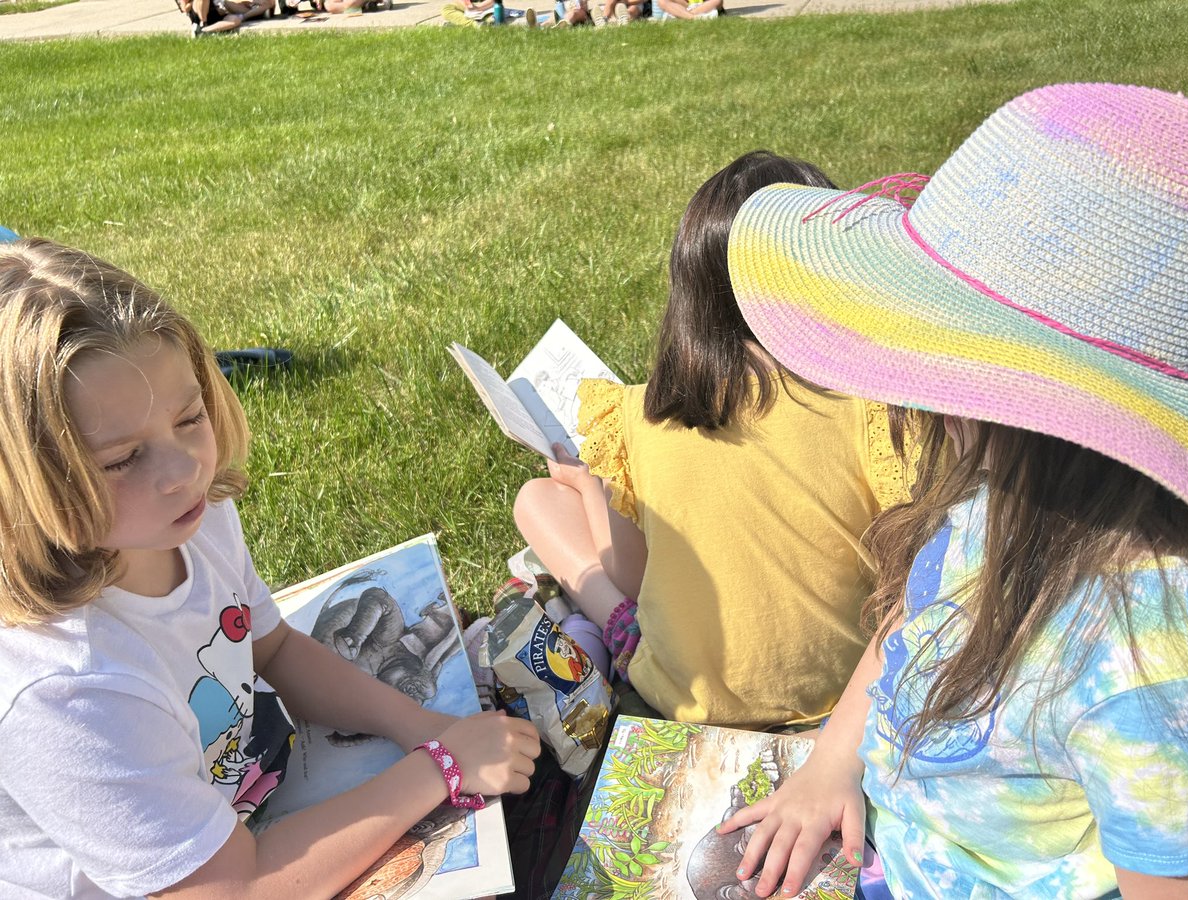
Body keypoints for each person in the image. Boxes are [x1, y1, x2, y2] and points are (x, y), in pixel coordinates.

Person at [720, 82, 1188, 899]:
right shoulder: (1001, 492)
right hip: (897, 845)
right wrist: (830, 766)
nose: (912, 392)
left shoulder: (1141, 667)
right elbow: (919, 618)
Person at [0, 239, 540, 899]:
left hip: (244, 812)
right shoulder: (68, 688)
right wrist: (441, 768)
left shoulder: (192, 519)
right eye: (121, 460)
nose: (184, 470)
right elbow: (230, 889)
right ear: (26, 483)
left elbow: (272, 647)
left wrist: (427, 727)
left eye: (189, 417)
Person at [513, 150, 922, 733]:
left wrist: (588, 485)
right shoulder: (873, 408)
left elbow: (631, 577)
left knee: (535, 502)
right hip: (843, 695)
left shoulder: (640, 414)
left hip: (681, 700)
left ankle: (598, 636)